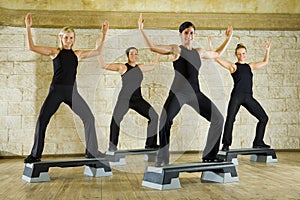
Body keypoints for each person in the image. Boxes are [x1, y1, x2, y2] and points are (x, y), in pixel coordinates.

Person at [138, 14, 233, 166]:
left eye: (191, 33)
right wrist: (141, 30)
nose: (189, 35)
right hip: (178, 93)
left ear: (194, 35)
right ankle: (163, 159)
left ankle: (209, 155)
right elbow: (152, 47)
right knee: (165, 120)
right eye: (186, 33)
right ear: (181, 35)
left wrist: (228, 38)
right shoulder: (177, 50)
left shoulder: (199, 51)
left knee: (218, 119)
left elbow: (216, 54)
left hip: (195, 93)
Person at [23, 13, 108, 163]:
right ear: (61, 38)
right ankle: (35, 155)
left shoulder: (77, 54)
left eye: (71, 38)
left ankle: (92, 152)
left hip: (71, 92)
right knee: (42, 120)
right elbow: (32, 47)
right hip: (56, 91)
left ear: (74, 39)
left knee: (89, 118)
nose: (68, 40)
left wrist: (104, 34)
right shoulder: (55, 52)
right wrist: (28, 27)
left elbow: (98, 52)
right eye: (65, 37)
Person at [97, 22, 159, 152]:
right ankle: (112, 148)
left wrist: (159, 51)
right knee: (115, 121)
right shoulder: (122, 67)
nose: (134, 55)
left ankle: (151, 144)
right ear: (127, 55)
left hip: (138, 99)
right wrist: (103, 36)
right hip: (124, 99)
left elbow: (153, 66)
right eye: (131, 53)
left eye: (136, 53)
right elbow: (103, 65)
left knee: (154, 116)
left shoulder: (140, 67)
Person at [211, 40, 271, 151]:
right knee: (230, 119)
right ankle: (226, 144)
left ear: (246, 54)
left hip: (248, 97)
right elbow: (217, 59)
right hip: (237, 96)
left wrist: (267, 50)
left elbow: (265, 62)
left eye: (243, 53)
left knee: (263, 118)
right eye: (239, 54)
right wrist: (211, 47)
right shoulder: (233, 66)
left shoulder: (250, 66)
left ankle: (258, 142)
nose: (241, 56)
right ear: (236, 55)